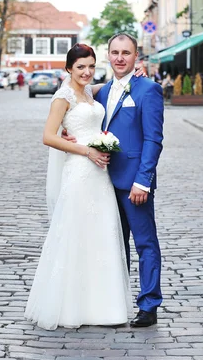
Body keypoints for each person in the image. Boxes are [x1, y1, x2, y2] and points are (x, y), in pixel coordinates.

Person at [24, 44, 133, 331]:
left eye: (90, 66)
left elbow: (111, 86)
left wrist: (135, 74)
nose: (86, 72)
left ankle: (104, 307)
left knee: (101, 234)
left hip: (100, 175)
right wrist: (87, 151)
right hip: (80, 171)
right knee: (76, 234)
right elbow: (48, 136)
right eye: (80, 67)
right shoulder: (63, 97)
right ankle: (72, 307)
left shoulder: (89, 92)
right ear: (68, 69)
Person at [64, 33, 164, 328]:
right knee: (113, 245)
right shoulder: (102, 92)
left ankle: (149, 305)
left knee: (145, 244)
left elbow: (153, 140)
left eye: (127, 53)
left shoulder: (149, 90)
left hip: (134, 184)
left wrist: (143, 181)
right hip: (102, 181)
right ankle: (115, 302)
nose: (120, 58)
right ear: (109, 55)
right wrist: (66, 135)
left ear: (136, 57)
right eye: (115, 52)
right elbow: (73, 105)